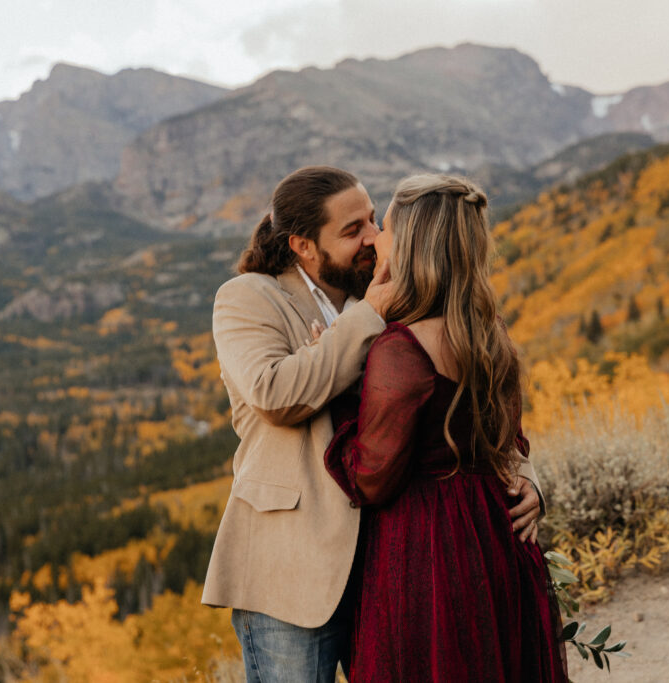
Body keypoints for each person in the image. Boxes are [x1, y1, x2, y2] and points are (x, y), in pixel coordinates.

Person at [202, 166, 546, 682]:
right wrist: (368, 317)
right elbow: (275, 395)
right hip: (293, 567)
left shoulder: (389, 288)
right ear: (302, 245)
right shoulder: (249, 297)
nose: (372, 238)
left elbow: (468, 397)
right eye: (352, 230)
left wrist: (522, 475)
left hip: (394, 564)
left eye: (371, 219)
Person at [324, 173, 567, 682]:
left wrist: (344, 403)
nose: (375, 238)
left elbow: (371, 476)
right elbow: (511, 443)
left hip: (429, 549)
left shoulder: (401, 350)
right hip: (498, 537)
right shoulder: (489, 331)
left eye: (385, 227)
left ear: (410, 243)